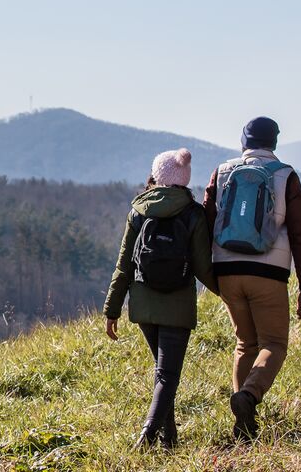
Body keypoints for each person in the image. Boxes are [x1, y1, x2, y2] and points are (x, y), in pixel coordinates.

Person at [204, 116, 301, 441]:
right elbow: (300, 233)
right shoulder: (284, 176)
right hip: (268, 273)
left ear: (244, 142)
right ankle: (249, 397)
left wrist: (209, 273)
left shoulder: (222, 172)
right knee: (274, 344)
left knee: (244, 343)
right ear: (274, 143)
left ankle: (243, 427)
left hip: (226, 271)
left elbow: (205, 220)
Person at [103, 148, 218, 450]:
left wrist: (112, 309)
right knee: (167, 376)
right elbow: (204, 267)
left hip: (142, 305)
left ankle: (169, 439)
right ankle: (148, 435)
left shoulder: (139, 212)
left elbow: (124, 263)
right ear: (183, 179)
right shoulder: (193, 214)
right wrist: (230, 294)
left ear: (156, 176)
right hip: (177, 307)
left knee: (163, 375)